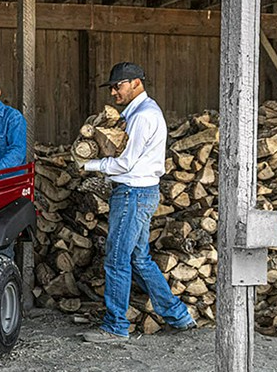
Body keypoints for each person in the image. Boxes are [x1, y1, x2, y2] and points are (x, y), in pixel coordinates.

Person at [79, 62, 196, 343]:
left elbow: (126, 162)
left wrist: (89, 164)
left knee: (117, 259)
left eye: (117, 86)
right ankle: (178, 316)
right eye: (112, 88)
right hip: (140, 192)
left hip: (133, 193)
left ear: (136, 83)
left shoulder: (143, 116)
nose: (113, 93)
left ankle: (116, 326)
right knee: (139, 259)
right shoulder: (139, 112)